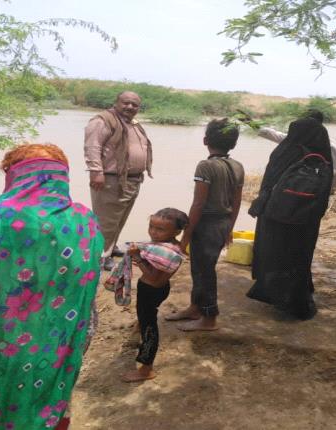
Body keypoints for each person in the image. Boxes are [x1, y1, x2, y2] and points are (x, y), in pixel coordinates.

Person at [0, 144, 104, 429]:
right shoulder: (84, 219)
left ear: (14, 175)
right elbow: (86, 281)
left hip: (0, 332)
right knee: (51, 390)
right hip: (61, 333)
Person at [246, 116, 334, 320]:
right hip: (306, 217)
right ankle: (295, 298)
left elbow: (268, 184)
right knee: (298, 257)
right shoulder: (324, 154)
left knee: (275, 255)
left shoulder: (286, 150)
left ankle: (277, 296)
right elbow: (328, 186)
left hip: (276, 216)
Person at [166, 119, 244, 331]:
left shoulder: (206, 166)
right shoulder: (238, 166)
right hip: (223, 223)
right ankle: (195, 307)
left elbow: (199, 203)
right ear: (233, 144)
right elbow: (236, 202)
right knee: (199, 268)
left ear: (205, 140)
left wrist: (186, 236)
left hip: (207, 223)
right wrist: (229, 228)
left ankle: (209, 318)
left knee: (204, 271)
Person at [105, 208, 188, 382]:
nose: (153, 233)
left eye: (160, 229)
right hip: (155, 290)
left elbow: (154, 278)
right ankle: (139, 324)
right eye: (151, 227)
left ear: (177, 232)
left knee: (149, 329)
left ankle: (146, 369)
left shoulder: (167, 253)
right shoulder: (166, 246)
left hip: (152, 289)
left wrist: (138, 257)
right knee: (145, 316)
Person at [84, 91, 152, 271]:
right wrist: (96, 172)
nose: (130, 107)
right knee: (106, 221)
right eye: (126, 103)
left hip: (132, 180)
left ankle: (110, 248)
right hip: (110, 179)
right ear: (116, 103)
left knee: (119, 219)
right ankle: (100, 257)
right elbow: (93, 147)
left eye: (134, 105)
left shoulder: (133, 124)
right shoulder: (102, 121)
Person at [242, 109, 336, 194]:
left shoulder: (329, 147)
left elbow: (335, 172)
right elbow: (270, 133)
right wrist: (251, 123)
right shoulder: (294, 140)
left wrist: (329, 192)